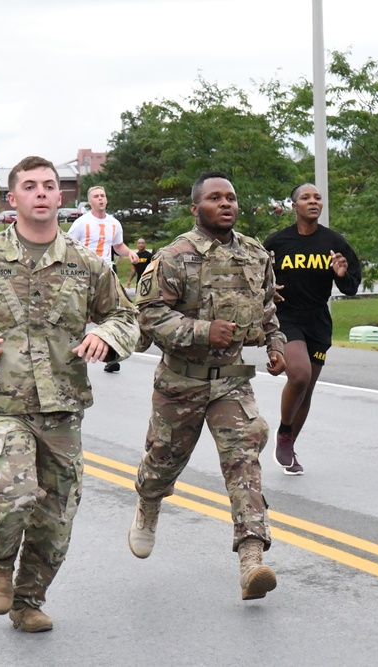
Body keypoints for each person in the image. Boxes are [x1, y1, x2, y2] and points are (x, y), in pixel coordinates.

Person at [0, 155, 140, 633]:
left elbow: (126, 317)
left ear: (60, 198)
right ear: (14, 198)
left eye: (49, 185)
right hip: (4, 403)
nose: (42, 192)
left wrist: (107, 337)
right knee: (16, 492)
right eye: (30, 186)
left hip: (63, 406)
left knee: (55, 515)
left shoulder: (86, 264)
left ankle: (28, 601)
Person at [128, 171, 286, 602]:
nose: (226, 204)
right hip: (180, 381)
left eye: (231, 197)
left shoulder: (255, 253)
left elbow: (268, 306)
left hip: (231, 382)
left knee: (245, 459)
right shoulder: (175, 256)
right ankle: (149, 501)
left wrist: (275, 343)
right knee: (163, 460)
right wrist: (201, 331)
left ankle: (252, 559)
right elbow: (149, 316)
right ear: (196, 208)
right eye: (215, 199)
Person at [263, 182, 361, 475]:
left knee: (307, 387)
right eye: (306, 198)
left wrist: (341, 275)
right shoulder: (276, 243)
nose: (313, 201)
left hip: (318, 321)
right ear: (294, 206)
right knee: (300, 374)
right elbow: (255, 280)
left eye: (317, 197)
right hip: (287, 318)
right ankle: (283, 431)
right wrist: (270, 290)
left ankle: (289, 441)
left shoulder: (335, 242)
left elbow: (351, 286)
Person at [66, 185, 139, 373]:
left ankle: (111, 356)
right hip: (84, 275)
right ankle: (70, 353)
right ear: (90, 201)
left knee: (114, 312)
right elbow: (67, 246)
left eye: (103, 196)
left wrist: (130, 252)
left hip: (106, 274)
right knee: (81, 313)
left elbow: (118, 245)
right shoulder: (81, 223)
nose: (101, 199)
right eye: (96, 196)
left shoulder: (114, 223)